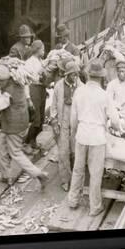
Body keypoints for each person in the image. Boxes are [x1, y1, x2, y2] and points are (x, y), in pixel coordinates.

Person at [68, 59, 114, 216]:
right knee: (95, 173)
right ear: (101, 77)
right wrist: (118, 127)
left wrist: (74, 134)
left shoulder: (79, 92)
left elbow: (73, 119)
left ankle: (73, 200)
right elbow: (114, 120)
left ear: (88, 75)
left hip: (82, 134)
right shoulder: (104, 95)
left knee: (78, 170)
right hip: (97, 138)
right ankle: (95, 207)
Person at [0, 64, 49, 187]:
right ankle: (6, 175)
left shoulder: (8, 90)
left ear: (2, 80)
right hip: (21, 121)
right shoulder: (19, 82)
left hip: (13, 126)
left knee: (16, 152)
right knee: (1, 145)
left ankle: (38, 174)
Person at [50, 61, 82, 192]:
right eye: (73, 75)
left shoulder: (81, 86)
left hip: (76, 120)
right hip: (63, 118)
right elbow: (53, 105)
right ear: (67, 75)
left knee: (76, 150)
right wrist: (54, 121)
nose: (75, 77)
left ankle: (77, 180)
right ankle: (65, 179)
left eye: (76, 74)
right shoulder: (58, 86)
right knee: (63, 151)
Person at [24, 40, 48, 150]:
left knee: (42, 118)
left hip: (41, 89)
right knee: (36, 118)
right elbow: (26, 81)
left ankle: (29, 139)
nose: (44, 51)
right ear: (37, 50)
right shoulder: (29, 62)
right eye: (42, 49)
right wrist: (28, 98)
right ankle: (30, 141)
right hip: (34, 89)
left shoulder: (40, 61)